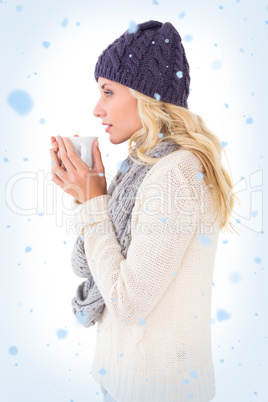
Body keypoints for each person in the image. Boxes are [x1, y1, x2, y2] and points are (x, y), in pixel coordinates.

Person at [49, 20, 239, 402]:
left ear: (145, 95)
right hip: (128, 381)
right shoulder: (143, 166)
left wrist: (92, 202)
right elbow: (101, 264)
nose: (97, 109)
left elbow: (129, 304)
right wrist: (88, 193)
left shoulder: (176, 173)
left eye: (108, 92)